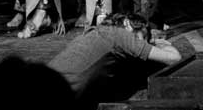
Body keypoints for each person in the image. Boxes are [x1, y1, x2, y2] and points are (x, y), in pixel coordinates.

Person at [47, 12, 185, 104]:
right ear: (126, 23)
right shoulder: (121, 35)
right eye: (140, 39)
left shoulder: (94, 33)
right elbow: (174, 58)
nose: (139, 45)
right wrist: (158, 43)